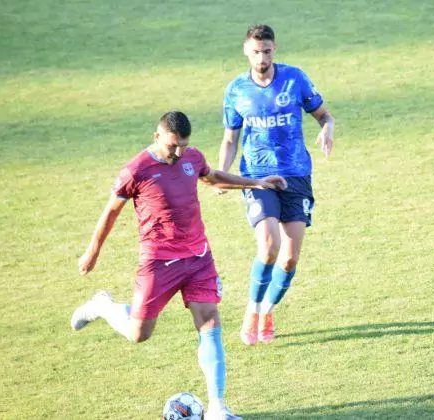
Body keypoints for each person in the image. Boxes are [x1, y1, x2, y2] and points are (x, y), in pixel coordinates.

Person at [70, 110, 286, 420]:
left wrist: (257, 183)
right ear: (156, 136)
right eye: (173, 146)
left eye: (183, 145)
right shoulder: (136, 170)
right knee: (138, 334)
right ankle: (103, 306)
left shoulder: (191, 157)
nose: (178, 152)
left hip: (198, 257)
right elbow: (111, 212)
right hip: (158, 262)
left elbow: (211, 177)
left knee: (209, 321)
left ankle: (217, 408)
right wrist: (92, 252)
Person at [218, 24, 335, 346]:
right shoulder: (237, 90)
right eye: (256, 52)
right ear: (246, 51)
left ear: (275, 50)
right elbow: (230, 139)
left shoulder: (295, 79)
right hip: (258, 176)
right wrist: (222, 173)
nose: (261, 58)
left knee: (289, 258)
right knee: (269, 246)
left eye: (266, 51)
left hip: (296, 174)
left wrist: (327, 127)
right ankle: (252, 310)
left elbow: (324, 115)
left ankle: (267, 311)